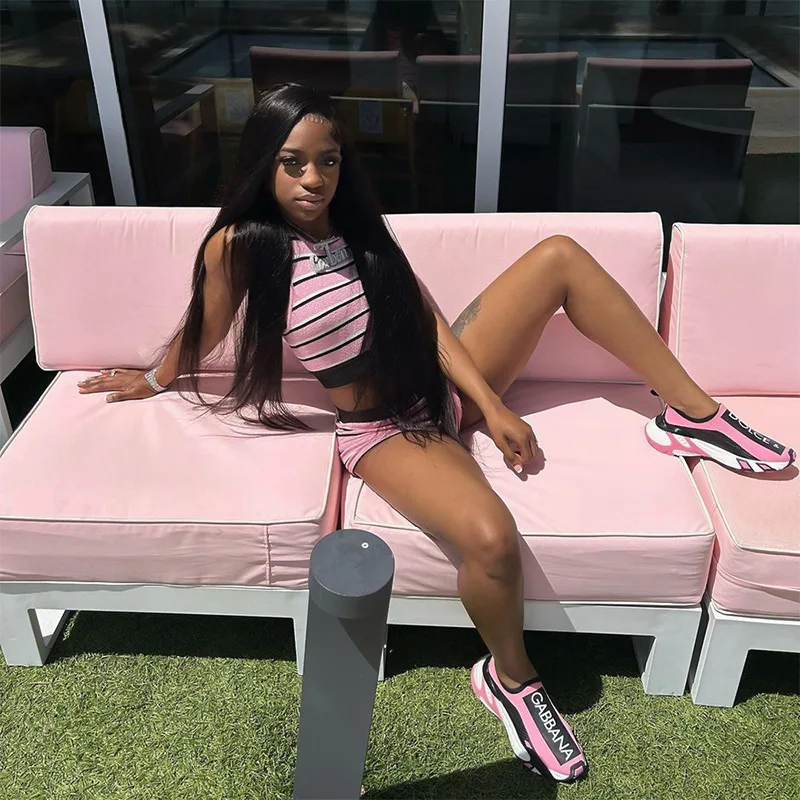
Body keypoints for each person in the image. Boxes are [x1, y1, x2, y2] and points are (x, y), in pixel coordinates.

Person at [77, 83, 794, 783]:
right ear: (264, 162)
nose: (313, 179)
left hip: (442, 386)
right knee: (490, 538)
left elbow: (426, 319)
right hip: (385, 429)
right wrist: (156, 377)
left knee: (560, 257)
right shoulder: (242, 246)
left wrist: (489, 404)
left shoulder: (358, 228)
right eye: (292, 162)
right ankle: (511, 679)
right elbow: (204, 329)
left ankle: (691, 414)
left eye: (328, 160)